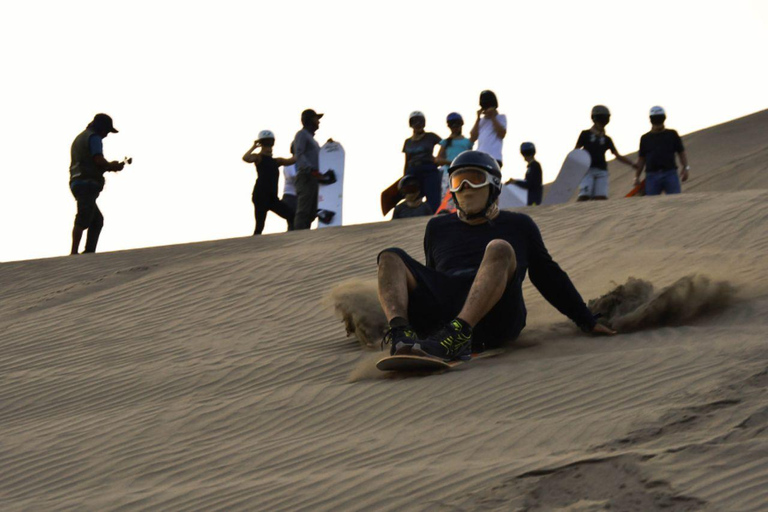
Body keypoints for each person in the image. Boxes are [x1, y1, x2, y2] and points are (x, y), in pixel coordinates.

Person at [377, 150, 614, 361]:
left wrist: (586, 320)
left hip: (498, 316)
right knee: (389, 257)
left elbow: (548, 276)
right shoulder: (437, 228)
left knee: (499, 247)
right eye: (459, 181)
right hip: (446, 316)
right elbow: (431, 278)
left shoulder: (519, 225)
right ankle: (402, 336)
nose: (466, 187)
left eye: (475, 179)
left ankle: (458, 335)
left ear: (494, 185)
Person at [68, 113, 125, 255]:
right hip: (86, 183)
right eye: (107, 130)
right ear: (101, 128)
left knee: (96, 220)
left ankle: (88, 253)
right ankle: (73, 254)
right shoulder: (94, 138)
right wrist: (111, 166)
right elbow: (98, 159)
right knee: (83, 217)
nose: (106, 134)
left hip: (77, 181)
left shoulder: (80, 138)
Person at [575, 105, 636, 201]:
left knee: (601, 198)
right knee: (584, 196)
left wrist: (632, 164)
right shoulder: (585, 134)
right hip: (587, 170)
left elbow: (617, 155)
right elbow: (576, 151)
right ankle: (576, 213)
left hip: (602, 171)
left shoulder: (607, 139)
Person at [242, 130, 296, 235]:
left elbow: (293, 160)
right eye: (266, 143)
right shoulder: (259, 158)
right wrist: (254, 146)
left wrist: (303, 150)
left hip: (272, 198)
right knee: (259, 226)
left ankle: (292, 235)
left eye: (270, 143)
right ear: (262, 144)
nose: (268, 146)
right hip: (260, 196)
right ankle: (254, 247)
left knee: (291, 215)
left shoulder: (277, 161)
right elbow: (246, 158)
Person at [634, 106, 689, 196]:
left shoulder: (672, 134)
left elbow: (681, 152)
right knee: (651, 205)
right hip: (652, 176)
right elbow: (641, 159)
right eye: (655, 119)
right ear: (651, 120)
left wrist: (686, 168)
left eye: (659, 119)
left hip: (670, 173)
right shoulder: (645, 138)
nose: (657, 122)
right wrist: (637, 176)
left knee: (675, 202)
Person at [402, 111, 442, 212]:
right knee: (412, 198)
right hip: (412, 171)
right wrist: (405, 177)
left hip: (429, 169)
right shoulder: (408, 142)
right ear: (411, 124)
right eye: (415, 122)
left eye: (420, 121)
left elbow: (446, 145)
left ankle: (434, 217)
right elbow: (406, 160)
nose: (418, 124)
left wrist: (439, 158)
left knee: (433, 197)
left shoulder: (431, 136)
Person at [292, 109, 323, 230]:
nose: (318, 122)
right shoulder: (301, 134)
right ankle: (299, 237)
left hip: (313, 177)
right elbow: (299, 153)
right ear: (310, 120)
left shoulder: (312, 139)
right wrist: (309, 169)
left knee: (312, 211)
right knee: (303, 210)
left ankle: (305, 234)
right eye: (316, 119)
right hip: (306, 176)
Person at [436, 112, 473, 198]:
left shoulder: (467, 142)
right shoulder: (446, 142)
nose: (455, 127)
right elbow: (438, 159)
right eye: (452, 125)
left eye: (457, 124)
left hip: (464, 173)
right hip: (449, 173)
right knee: (448, 197)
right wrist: (453, 162)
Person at [470, 90, 507, 167]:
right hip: (479, 158)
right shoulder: (481, 121)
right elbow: (473, 138)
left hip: (494, 158)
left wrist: (492, 116)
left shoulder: (501, 117)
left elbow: (502, 134)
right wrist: (478, 118)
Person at [509, 142, 543, 206]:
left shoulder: (535, 166)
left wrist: (515, 182)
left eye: (524, 154)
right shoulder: (531, 166)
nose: (523, 157)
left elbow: (529, 184)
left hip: (533, 199)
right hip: (531, 197)